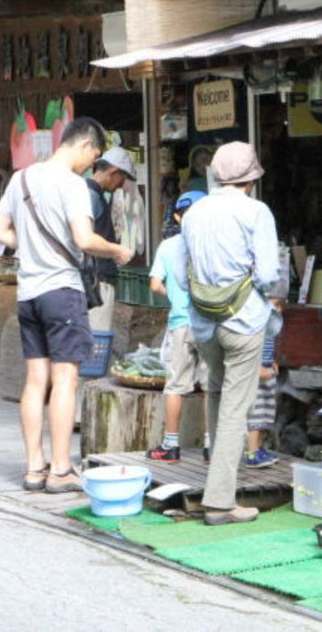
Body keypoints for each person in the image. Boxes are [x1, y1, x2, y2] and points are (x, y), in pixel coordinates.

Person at [0, 117, 134, 494]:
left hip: (28, 293)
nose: (91, 163)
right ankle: (61, 468)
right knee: (65, 380)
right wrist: (117, 250)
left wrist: (30, 246)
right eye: (94, 155)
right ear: (84, 146)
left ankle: (35, 467)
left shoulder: (21, 179)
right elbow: (85, 240)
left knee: (36, 381)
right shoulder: (72, 184)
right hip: (61, 293)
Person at [171, 141, 279, 526]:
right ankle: (220, 502)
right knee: (236, 409)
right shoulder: (256, 212)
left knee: (216, 396)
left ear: (215, 174)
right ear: (251, 177)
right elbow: (268, 274)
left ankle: (219, 485)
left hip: (203, 320)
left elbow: (183, 268)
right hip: (243, 321)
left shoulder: (195, 211)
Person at [146, 190, 207, 462]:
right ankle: (211, 445)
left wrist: (172, 293)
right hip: (210, 323)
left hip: (180, 322)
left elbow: (155, 284)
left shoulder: (168, 246)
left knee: (175, 386)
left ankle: (170, 446)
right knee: (210, 387)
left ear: (177, 216)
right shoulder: (213, 243)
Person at [86, 146, 137, 329]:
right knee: (96, 338)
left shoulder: (91, 194)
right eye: (122, 179)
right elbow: (85, 239)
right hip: (96, 281)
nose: (121, 186)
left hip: (93, 278)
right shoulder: (91, 197)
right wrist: (116, 250)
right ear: (113, 172)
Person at [244, 297, 286, 468]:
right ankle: (252, 451)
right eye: (275, 306)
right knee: (257, 413)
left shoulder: (270, 326)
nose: (280, 310)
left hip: (268, 370)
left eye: (280, 307)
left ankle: (259, 448)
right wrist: (257, 368)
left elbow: (269, 348)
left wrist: (271, 362)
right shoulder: (254, 324)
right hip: (256, 373)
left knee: (267, 413)